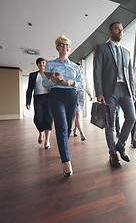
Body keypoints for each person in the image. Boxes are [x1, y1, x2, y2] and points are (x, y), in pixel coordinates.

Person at [93, 22, 136, 168]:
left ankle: (121, 145)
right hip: (109, 91)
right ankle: (112, 153)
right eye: (117, 28)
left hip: (125, 90)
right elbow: (97, 71)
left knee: (131, 117)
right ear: (110, 31)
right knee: (110, 123)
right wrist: (99, 92)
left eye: (122, 29)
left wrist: (133, 92)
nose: (120, 31)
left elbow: (130, 75)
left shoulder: (127, 52)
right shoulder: (101, 48)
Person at [42, 35, 84, 177]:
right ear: (57, 47)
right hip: (56, 95)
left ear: (69, 49)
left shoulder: (75, 67)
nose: (65, 47)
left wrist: (72, 83)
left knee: (67, 127)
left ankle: (62, 148)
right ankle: (66, 162)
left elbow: (82, 85)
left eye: (67, 45)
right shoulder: (50, 64)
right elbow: (44, 84)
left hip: (72, 96)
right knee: (62, 126)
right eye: (62, 44)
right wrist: (53, 80)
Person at [26, 57, 53, 150]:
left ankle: (47, 141)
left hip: (48, 98)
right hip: (38, 98)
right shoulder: (33, 75)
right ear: (37, 65)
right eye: (40, 63)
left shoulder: (49, 74)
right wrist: (28, 102)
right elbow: (29, 89)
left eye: (43, 63)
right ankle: (40, 133)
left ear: (46, 64)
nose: (42, 65)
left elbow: (54, 87)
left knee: (48, 118)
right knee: (38, 118)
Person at [73, 62, 93, 141]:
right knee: (78, 114)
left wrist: (90, 94)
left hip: (81, 96)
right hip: (73, 95)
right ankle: (81, 133)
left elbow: (87, 87)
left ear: (81, 68)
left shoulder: (84, 77)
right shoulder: (72, 76)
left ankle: (75, 129)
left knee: (77, 114)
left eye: (80, 67)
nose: (79, 68)